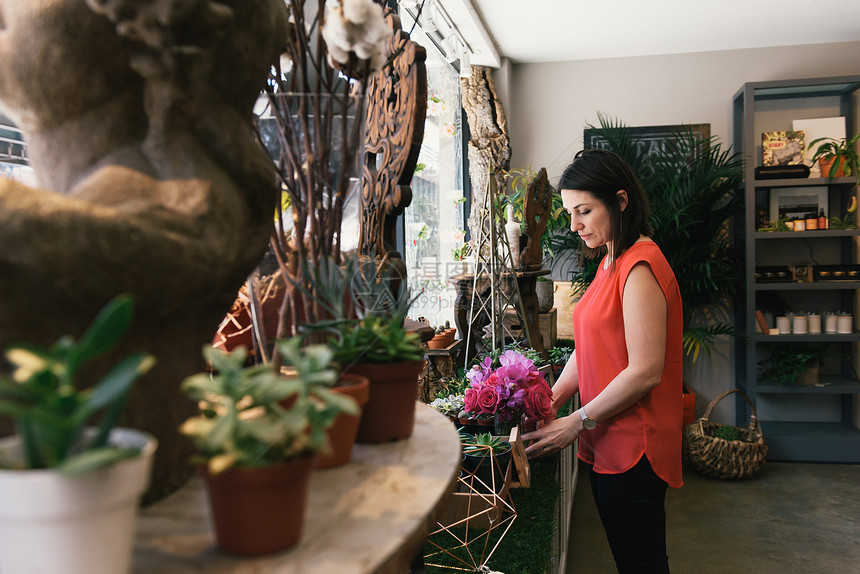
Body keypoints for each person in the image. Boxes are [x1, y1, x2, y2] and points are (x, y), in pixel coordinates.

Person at [522, 148, 683, 574]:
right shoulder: (612, 259)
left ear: (621, 201)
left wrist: (576, 422)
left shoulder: (640, 266)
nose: (574, 225)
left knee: (641, 564)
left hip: (635, 445)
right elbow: (588, 346)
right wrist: (551, 400)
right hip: (607, 435)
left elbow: (645, 371)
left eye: (584, 211)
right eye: (569, 212)